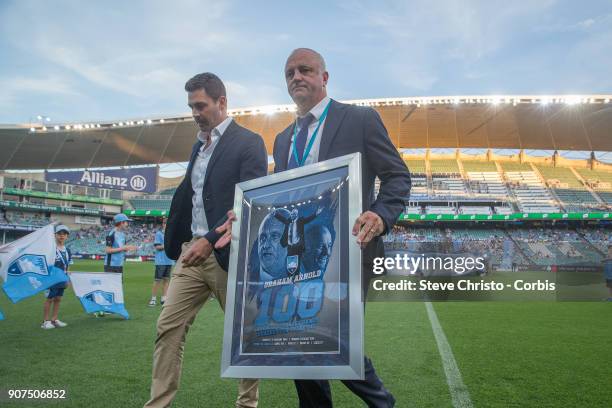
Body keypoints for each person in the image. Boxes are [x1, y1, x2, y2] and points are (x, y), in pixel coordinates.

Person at [274, 48, 410, 408]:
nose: (296, 77)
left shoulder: (360, 120)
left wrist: (380, 215)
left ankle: (383, 403)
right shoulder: (282, 139)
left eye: (304, 70)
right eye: (289, 73)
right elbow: (280, 199)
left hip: (349, 249)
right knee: (300, 341)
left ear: (324, 77)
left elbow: (397, 176)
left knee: (333, 337)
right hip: (300, 258)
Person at [144, 72, 267, 408]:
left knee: (244, 333)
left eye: (201, 105)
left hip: (230, 252)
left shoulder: (248, 142)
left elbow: (250, 201)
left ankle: (247, 404)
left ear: (222, 102)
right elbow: (192, 195)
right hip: (190, 253)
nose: (195, 113)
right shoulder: (198, 146)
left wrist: (211, 239)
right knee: (168, 328)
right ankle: (158, 404)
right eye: (191, 107)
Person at [41, 224, 73, 329]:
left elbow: (68, 265)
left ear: (67, 236)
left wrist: (68, 279)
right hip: (51, 279)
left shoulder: (67, 250)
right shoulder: (50, 249)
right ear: (55, 235)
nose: (62, 236)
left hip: (62, 279)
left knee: (58, 298)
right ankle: (45, 321)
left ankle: (54, 319)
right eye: (59, 233)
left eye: (64, 234)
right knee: (49, 299)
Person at [149, 218, 174, 307]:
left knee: (166, 280)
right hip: (161, 261)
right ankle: (153, 299)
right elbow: (157, 247)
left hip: (169, 260)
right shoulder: (159, 234)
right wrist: (167, 245)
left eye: (167, 223)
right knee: (157, 280)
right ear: (163, 224)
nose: (166, 225)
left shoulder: (171, 234)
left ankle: (164, 298)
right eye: (164, 223)